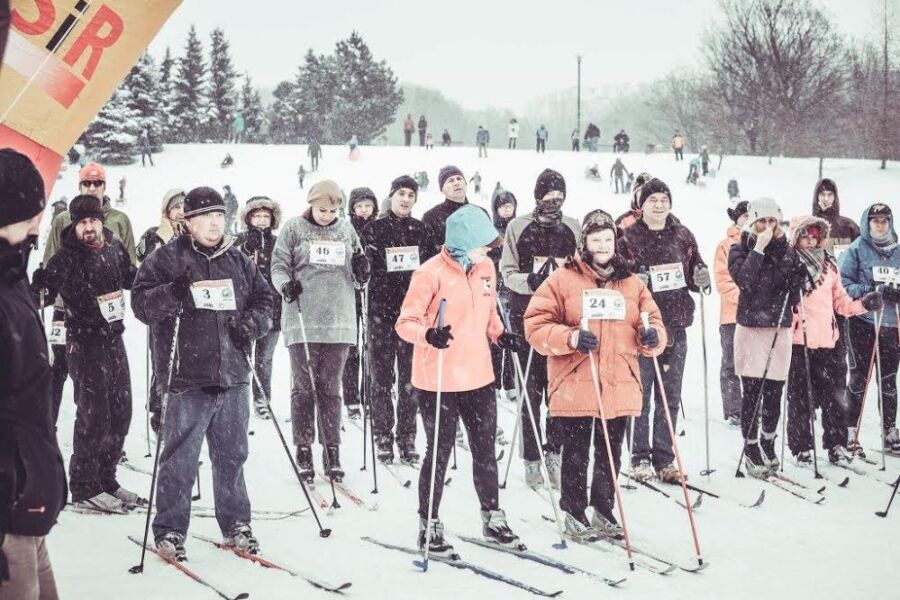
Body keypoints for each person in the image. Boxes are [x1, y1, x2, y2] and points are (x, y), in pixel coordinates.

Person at [132, 186, 274, 560]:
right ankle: (170, 529)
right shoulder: (166, 258)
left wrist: (253, 323)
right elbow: (142, 306)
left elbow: (266, 300)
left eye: (219, 216)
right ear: (188, 221)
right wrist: (172, 292)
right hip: (186, 375)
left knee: (232, 455)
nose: (214, 224)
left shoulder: (238, 259)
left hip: (232, 375)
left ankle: (236, 524)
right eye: (205, 217)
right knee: (180, 458)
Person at [525, 209, 665, 539]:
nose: (602, 245)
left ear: (616, 242)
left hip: (618, 380)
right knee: (576, 451)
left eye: (608, 239)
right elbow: (535, 325)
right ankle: (574, 510)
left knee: (610, 452)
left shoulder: (631, 282)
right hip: (577, 378)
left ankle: (603, 508)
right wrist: (570, 337)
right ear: (584, 242)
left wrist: (652, 337)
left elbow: (652, 320)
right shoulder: (562, 278)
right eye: (595, 239)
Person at [396, 204, 525, 556]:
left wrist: (501, 335)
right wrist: (428, 335)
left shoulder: (485, 269)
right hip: (437, 377)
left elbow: (489, 317)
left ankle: (492, 516)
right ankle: (429, 524)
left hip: (479, 375)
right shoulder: (429, 273)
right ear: (462, 240)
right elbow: (404, 323)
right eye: (482, 242)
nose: (488, 249)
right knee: (438, 452)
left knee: (485, 451)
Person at [34, 195, 138, 513]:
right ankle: (83, 485)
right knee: (95, 413)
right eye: (82, 223)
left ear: (100, 221)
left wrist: (156, 273)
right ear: (74, 225)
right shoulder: (65, 258)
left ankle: (106, 479)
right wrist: (39, 285)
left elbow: (131, 277)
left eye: (93, 221)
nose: (89, 227)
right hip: (83, 342)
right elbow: (44, 295)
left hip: (114, 338)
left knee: (122, 410)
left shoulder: (113, 247)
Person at [0, 149, 67, 600]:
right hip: (9, 511)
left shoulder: (13, 274)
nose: (38, 225)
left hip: (30, 499)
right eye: (29, 214)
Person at [270, 181, 370, 483]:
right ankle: (303, 447)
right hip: (303, 318)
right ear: (311, 205)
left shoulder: (346, 230)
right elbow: (278, 265)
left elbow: (358, 275)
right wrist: (284, 285)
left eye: (333, 210)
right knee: (304, 387)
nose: (327, 215)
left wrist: (362, 269)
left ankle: (332, 450)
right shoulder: (293, 228)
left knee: (330, 388)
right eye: (322, 209)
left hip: (339, 319)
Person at [618, 178, 709, 483]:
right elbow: (617, 277)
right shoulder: (628, 237)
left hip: (676, 323)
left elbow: (696, 272)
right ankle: (639, 456)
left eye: (663, 199)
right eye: (652, 200)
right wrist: (635, 279)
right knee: (641, 394)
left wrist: (701, 277)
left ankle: (664, 457)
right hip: (641, 326)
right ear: (641, 205)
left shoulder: (682, 235)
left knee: (669, 396)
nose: (658, 205)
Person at [501, 169, 581, 489]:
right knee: (530, 392)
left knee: (559, 393)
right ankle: (531, 457)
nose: (554, 202)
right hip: (527, 317)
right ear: (537, 197)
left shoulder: (572, 227)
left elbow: (582, 269)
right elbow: (506, 272)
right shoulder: (517, 226)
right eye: (548, 197)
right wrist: (529, 281)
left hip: (561, 321)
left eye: (559, 197)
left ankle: (555, 450)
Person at [43, 163, 136, 425]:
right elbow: (52, 259)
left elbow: (128, 265)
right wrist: (48, 287)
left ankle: (100, 429)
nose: (92, 188)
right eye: (87, 183)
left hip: (106, 312)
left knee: (104, 382)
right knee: (61, 368)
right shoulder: (64, 219)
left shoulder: (119, 220)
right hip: (67, 308)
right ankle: (49, 425)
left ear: (106, 187)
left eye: (97, 183)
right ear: (79, 186)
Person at [786, 216, 879, 465]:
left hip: (829, 342)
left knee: (834, 397)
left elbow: (842, 303)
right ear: (796, 237)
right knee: (800, 397)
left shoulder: (830, 267)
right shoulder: (789, 264)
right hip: (798, 341)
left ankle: (836, 444)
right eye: (805, 235)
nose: (810, 240)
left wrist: (863, 304)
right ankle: (801, 447)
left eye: (815, 235)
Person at [728, 198, 800, 477]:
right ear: (753, 222)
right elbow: (744, 280)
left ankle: (769, 440)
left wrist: (796, 282)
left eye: (773, 222)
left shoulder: (788, 251)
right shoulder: (739, 249)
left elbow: (792, 289)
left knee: (774, 391)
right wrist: (758, 247)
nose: (768, 227)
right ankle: (751, 445)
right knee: (753, 392)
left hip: (778, 326)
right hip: (751, 326)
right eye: (762, 221)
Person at [361, 176, 429, 464]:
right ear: (391, 196)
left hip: (412, 315)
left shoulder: (421, 229)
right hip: (381, 314)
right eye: (401, 193)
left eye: (411, 195)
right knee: (381, 378)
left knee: (410, 380)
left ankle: (407, 435)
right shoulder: (374, 229)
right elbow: (365, 269)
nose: (406, 199)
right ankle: (382, 434)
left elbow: (430, 270)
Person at [840, 203, 900, 455]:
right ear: (867, 223)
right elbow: (844, 284)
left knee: (888, 381)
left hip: (891, 325)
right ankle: (850, 432)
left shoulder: (898, 250)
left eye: (884, 220)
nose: (879, 224)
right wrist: (869, 292)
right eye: (875, 220)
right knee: (858, 378)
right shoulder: (855, 250)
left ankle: (889, 432)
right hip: (862, 323)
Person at [137, 189, 186, 434]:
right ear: (166, 210)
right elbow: (143, 264)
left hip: (187, 311)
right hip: (160, 308)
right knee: (163, 362)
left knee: (182, 363)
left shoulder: (192, 234)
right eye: (175, 207)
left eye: (184, 206)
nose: (180, 212)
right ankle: (160, 412)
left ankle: (177, 412)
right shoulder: (154, 234)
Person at [237, 196, 283, 420]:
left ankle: (262, 398)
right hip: (244, 308)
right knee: (242, 356)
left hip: (272, 308)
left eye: (266, 216)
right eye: (257, 216)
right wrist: (246, 248)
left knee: (265, 358)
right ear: (248, 218)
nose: (262, 220)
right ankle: (239, 399)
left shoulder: (278, 241)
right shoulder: (238, 240)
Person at [343, 188, 379, 419]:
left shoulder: (380, 227)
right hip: (350, 293)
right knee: (351, 348)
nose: (364, 210)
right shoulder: (346, 230)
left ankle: (369, 396)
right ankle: (351, 397)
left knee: (371, 348)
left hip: (375, 294)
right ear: (352, 209)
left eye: (368, 205)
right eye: (359, 206)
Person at [714, 201, 748, 425]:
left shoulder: (764, 243)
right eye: (743, 215)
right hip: (731, 316)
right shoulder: (725, 245)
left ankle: (756, 406)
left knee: (755, 363)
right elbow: (723, 280)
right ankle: (735, 409)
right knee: (731, 363)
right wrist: (747, 297)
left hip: (760, 317)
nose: (747, 219)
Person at [489, 191, 518, 404]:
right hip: (496, 289)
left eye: (510, 206)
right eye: (503, 206)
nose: (506, 210)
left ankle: (510, 382)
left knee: (512, 334)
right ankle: (495, 383)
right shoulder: (492, 231)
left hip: (512, 290)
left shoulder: (518, 228)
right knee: (497, 337)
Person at [422, 165, 481, 258]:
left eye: (459, 179)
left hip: (478, 271)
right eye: (450, 181)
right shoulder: (431, 217)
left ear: (465, 184)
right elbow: (426, 254)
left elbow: (495, 248)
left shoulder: (480, 213)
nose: (456, 183)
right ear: (442, 189)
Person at [812, 178, 859, 255]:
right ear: (816, 197)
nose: (826, 199)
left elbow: (861, 253)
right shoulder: (807, 225)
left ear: (835, 197)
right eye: (822, 194)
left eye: (830, 194)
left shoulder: (848, 225)